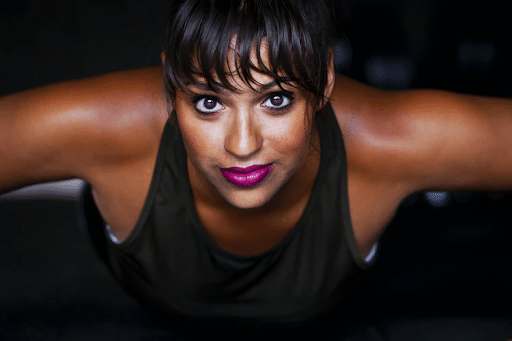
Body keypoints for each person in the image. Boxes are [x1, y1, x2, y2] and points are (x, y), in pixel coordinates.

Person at [1, 0, 512, 339]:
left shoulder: (390, 139)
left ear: (326, 82)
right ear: (169, 85)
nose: (242, 146)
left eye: (276, 99)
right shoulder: (103, 128)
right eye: (207, 103)